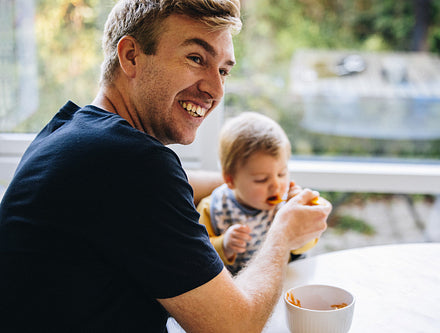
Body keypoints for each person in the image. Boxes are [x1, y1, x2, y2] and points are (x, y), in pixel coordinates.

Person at [0, 1, 331, 332]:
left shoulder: (74, 134)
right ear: (131, 56)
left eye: (224, 71)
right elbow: (236, 326)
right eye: (196, 58)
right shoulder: (136, 165)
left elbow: (169, 184)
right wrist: (283, 234)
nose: (215, 90)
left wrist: (244, 183)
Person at [197, 112, 318, 275]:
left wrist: (300, 217)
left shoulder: (288, 204)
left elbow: (304, 246)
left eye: (282, 174)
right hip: (235, 286)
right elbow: (198, 252)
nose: (276, 186)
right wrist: (223, 245)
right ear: (230, 179)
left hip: (280, 280)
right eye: (261, 179)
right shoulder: (213, 208)